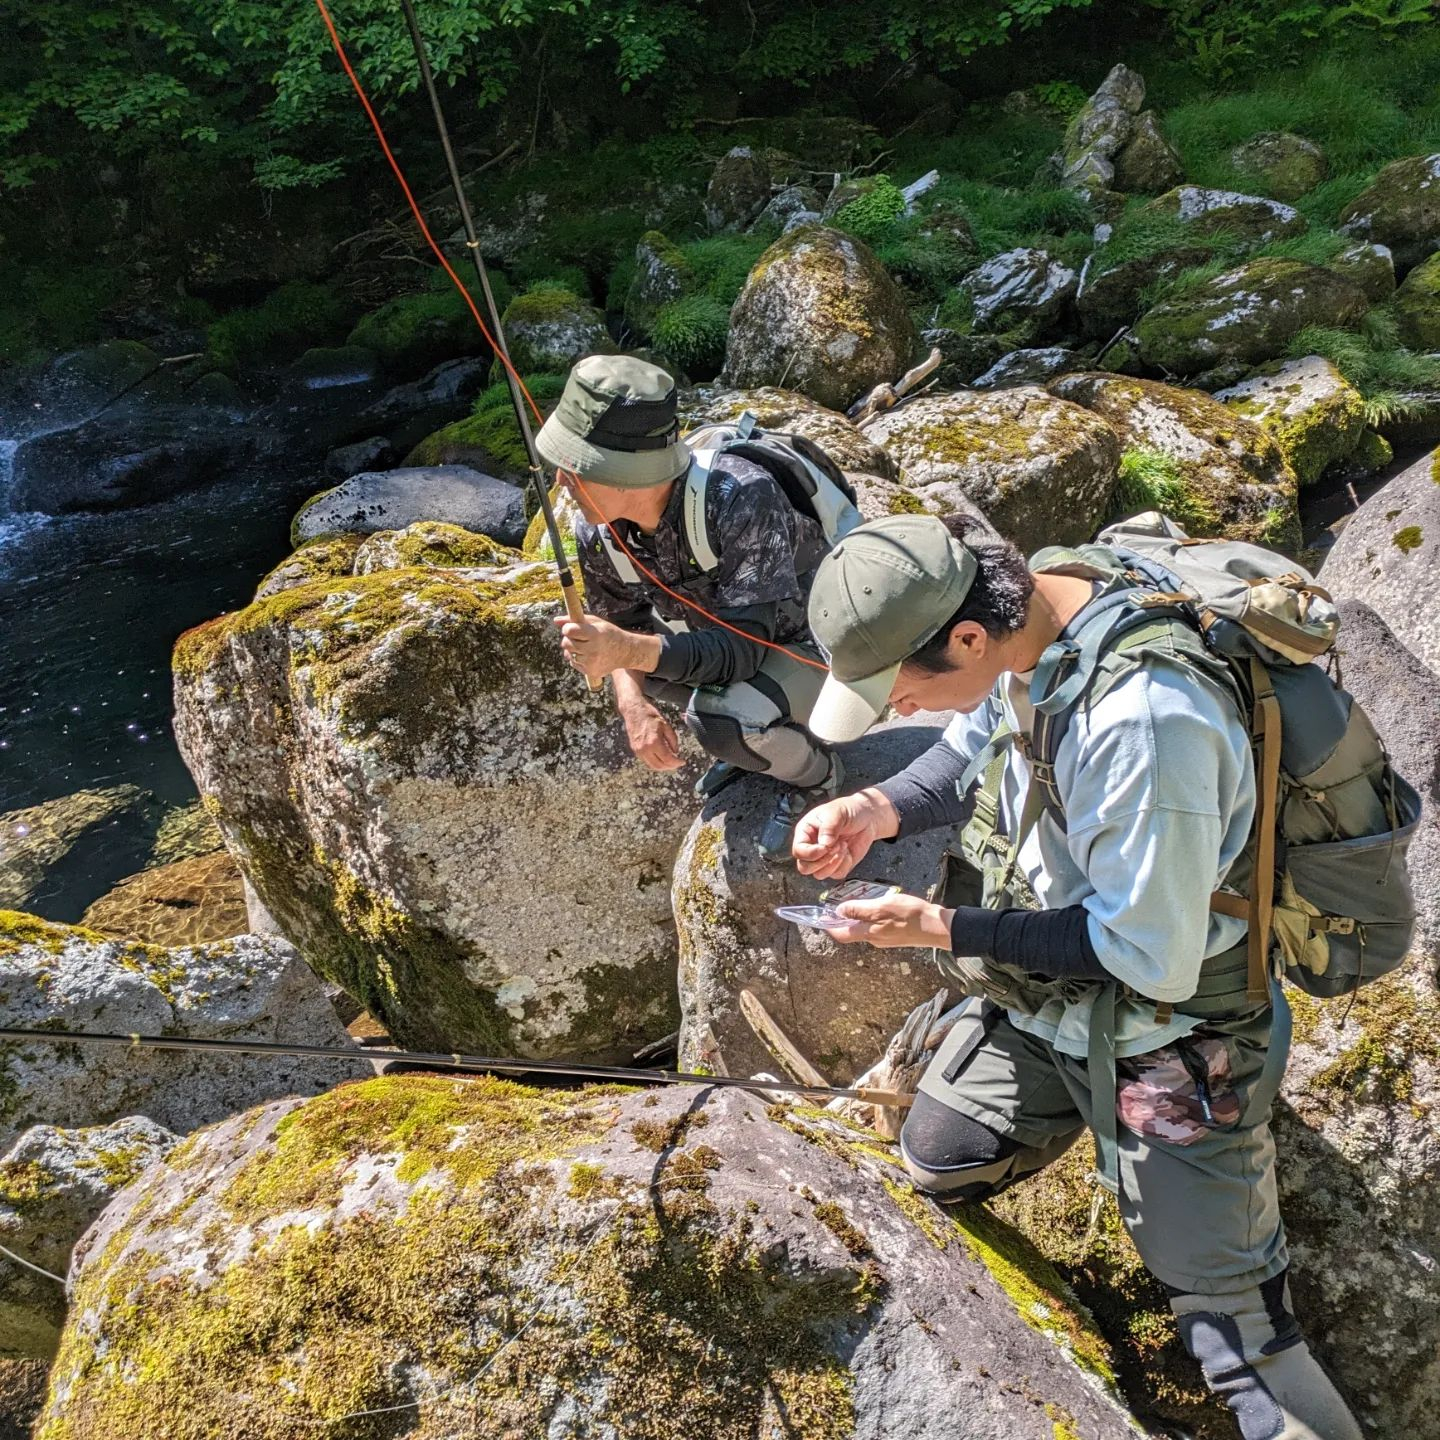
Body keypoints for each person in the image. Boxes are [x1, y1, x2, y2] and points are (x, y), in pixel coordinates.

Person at [792, 512, 1364, 1440]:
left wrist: (939, 925)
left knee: (1238, 1347)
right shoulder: (1035, 611)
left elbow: (1153, 958)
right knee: (936, 1158)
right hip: (1050, 1011)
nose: (893, 708)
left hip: (1173, 1038)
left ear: (967, 636)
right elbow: (974, 742)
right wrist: (875, 806)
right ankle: (1070, 1117)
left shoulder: (1145, 724)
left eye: (894, 687)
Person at [536, 354, 844, 860]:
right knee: (645, 672)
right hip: (743, 647)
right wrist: (632, 705)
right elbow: (620, 624)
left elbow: (744, 649)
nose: (562, 482)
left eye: (577, 468)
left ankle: (819, 776)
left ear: (629, 473)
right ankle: (761, 745)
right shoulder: (597, 530)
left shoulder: (741, 496)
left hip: (819, 648)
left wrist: (628, 649)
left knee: (719, 720)